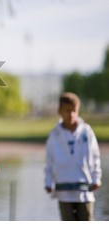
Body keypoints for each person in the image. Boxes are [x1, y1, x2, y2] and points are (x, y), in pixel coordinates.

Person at [44, 92, 102, 221]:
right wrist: (48, 181)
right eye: (67, 111)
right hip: (63, 190)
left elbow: (95, 155)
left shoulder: (87, 131)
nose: (71, 114)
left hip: (84, 189)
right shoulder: (55, 135)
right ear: (60, 111)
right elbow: (49, 160)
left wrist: (96, 178)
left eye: (74, 111)